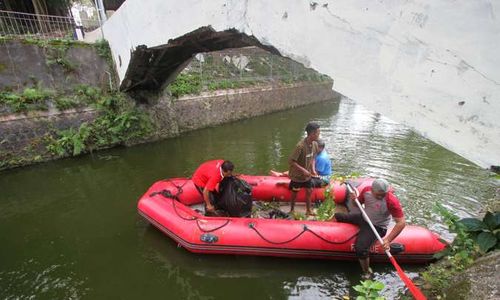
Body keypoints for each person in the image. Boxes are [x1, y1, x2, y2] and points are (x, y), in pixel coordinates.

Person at [334, 178, 406, 278]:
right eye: (378, 194)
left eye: (383, 194)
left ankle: (367, 271)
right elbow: (357, 204)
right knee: (338, 216)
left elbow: (401, 223)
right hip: (364, 217)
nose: (380, 196)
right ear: (372, 190)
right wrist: (354, 199)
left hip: (377, 226)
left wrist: (388, 240)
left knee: (360, 248)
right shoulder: (367, 190)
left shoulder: (391, 201)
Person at [288, 122, 320, 215]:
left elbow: (313, 158)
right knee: (295, 193)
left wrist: (313, 169)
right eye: (318, 133)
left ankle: (308, 210)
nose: (319, 135)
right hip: (297, 176)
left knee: (309, 191)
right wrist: (304, 170)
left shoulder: (315, 144)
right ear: (312, 134)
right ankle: (292, 210)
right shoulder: (300, 146)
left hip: (307, 176)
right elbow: (291, 161)